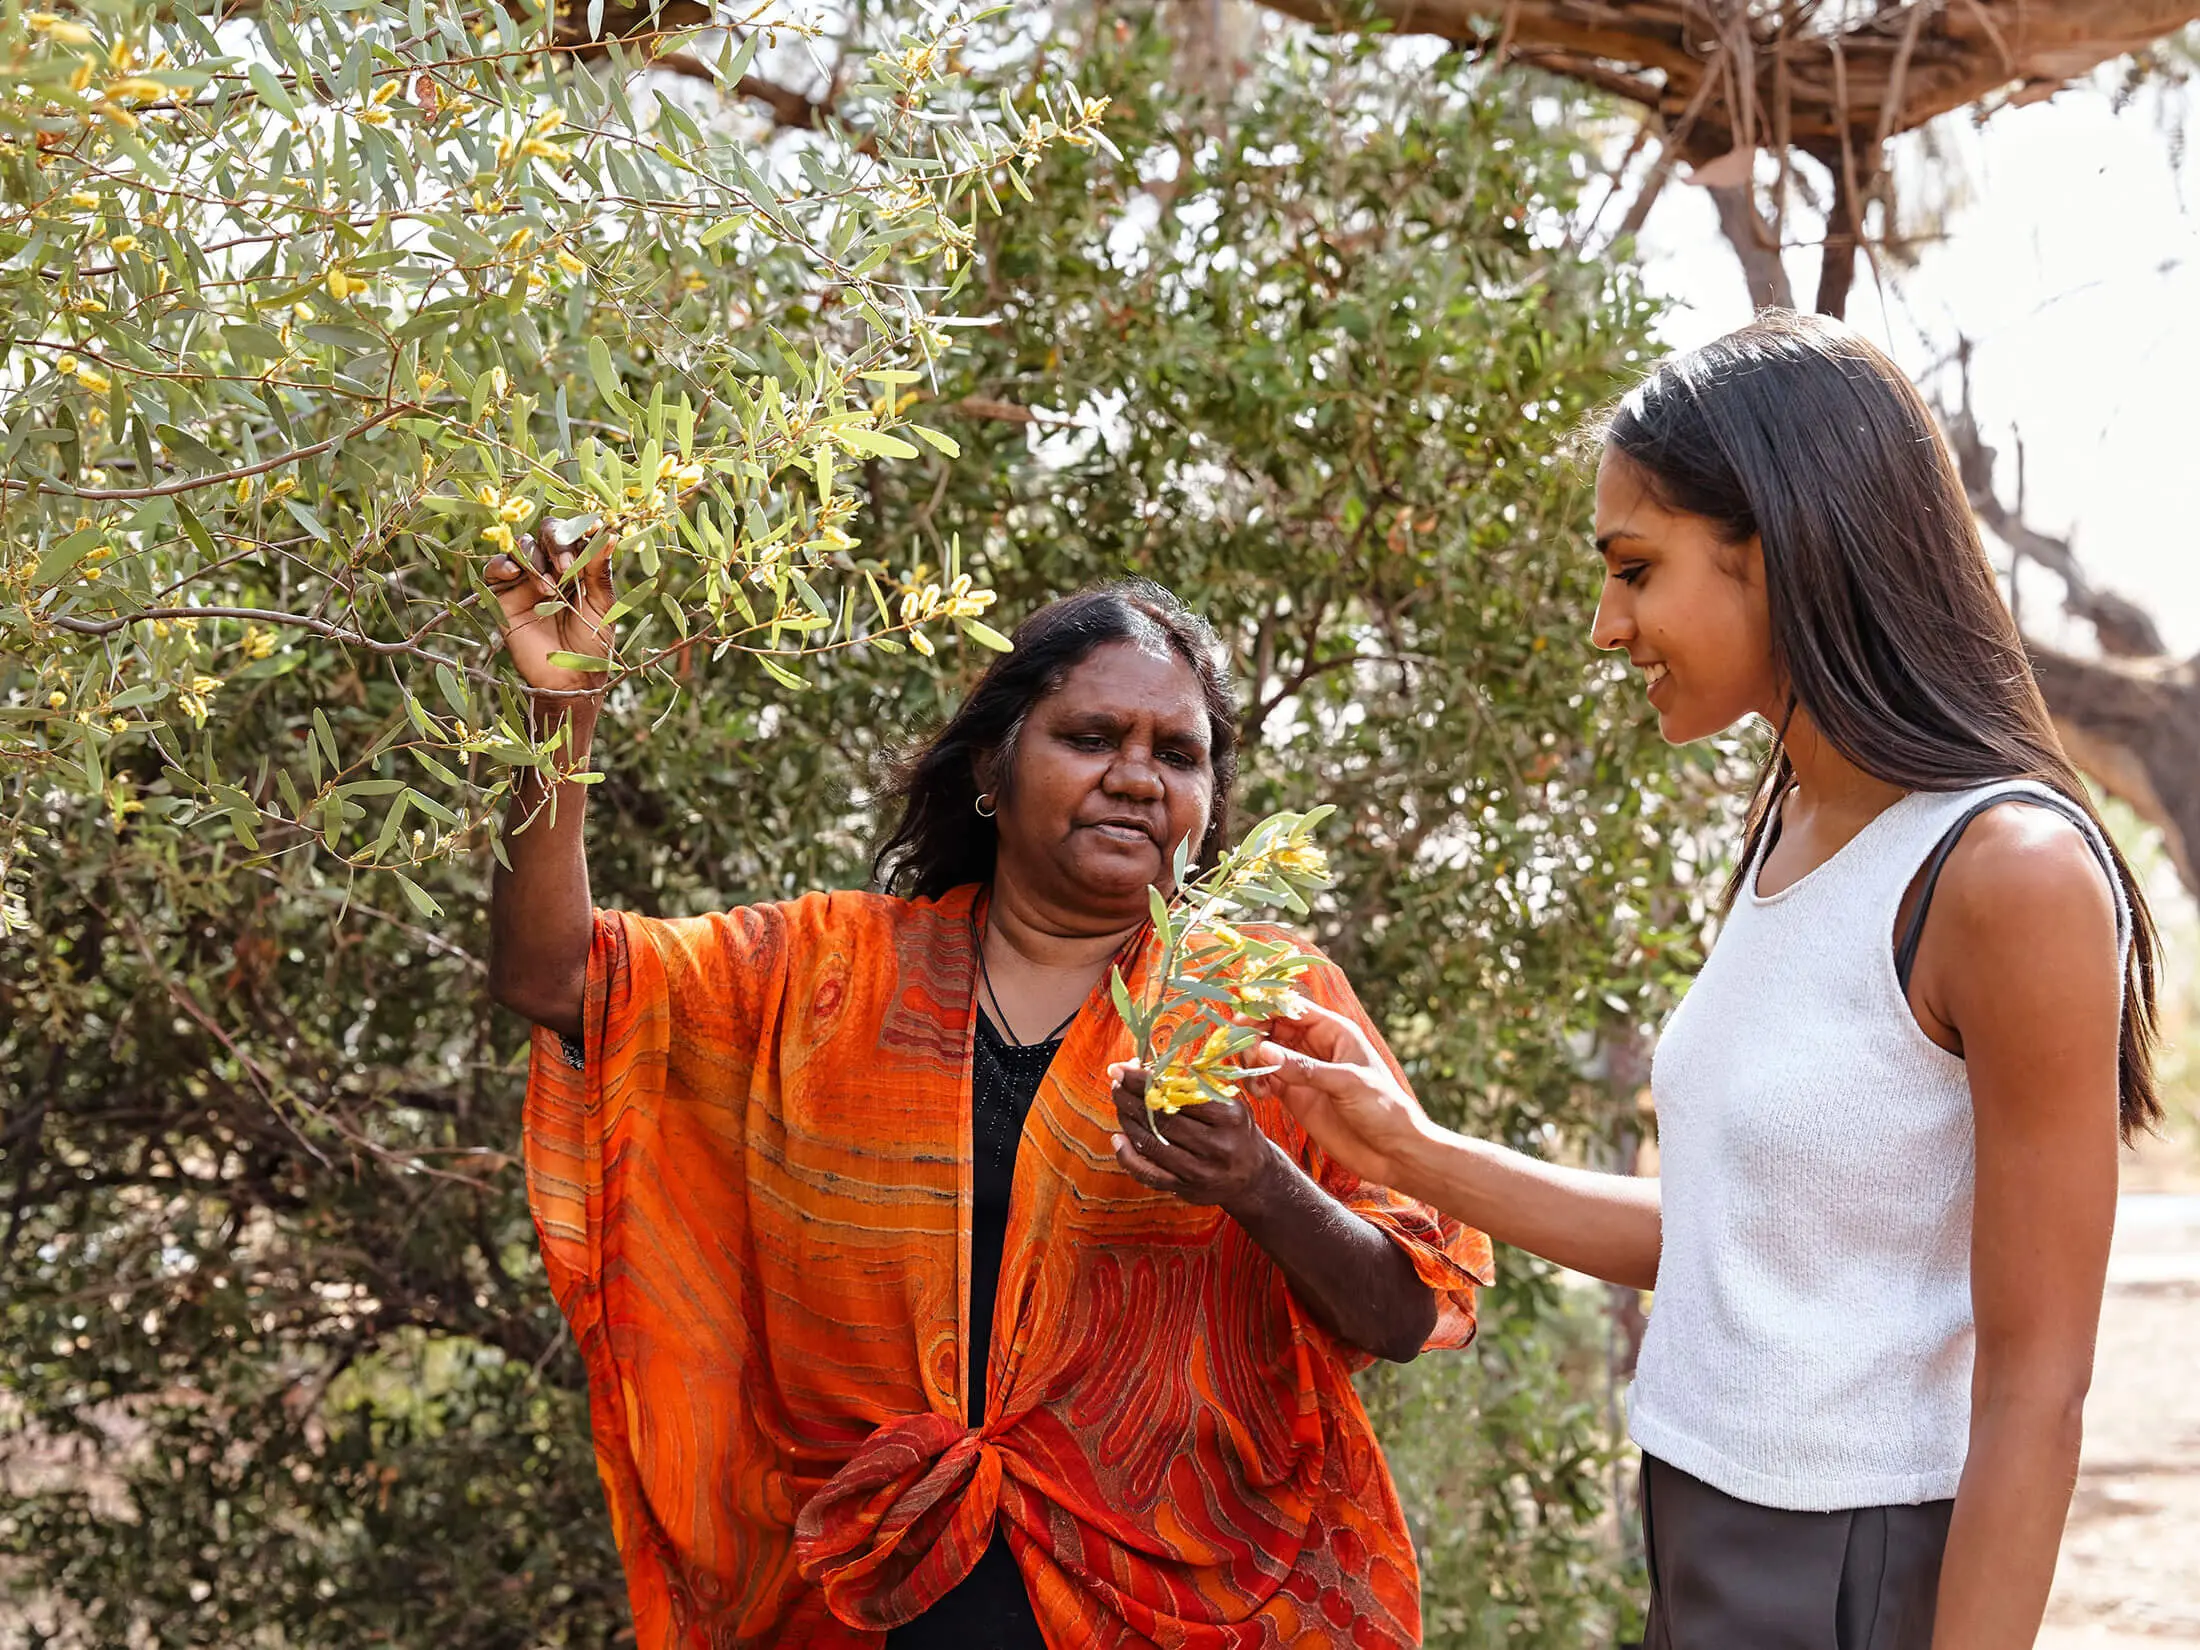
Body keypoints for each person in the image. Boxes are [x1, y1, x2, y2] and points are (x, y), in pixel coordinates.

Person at [1246, 312, 2161, 1650]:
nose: (1607, 626)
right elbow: (1738, 1235)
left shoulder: (2005, 873)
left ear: (1779, 549)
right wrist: (1410, 1152)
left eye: (1634, 568)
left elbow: (2039, 1386)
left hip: (1857, 1565)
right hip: (1711, 1528)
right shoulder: (1794, 820)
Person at [484, 558, 1494, 1648]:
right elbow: (554, 977)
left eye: (1179, 754)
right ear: (991, 770)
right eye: (1092, 737)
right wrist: (561, 711)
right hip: (875, 1590)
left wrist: (1259, 1180)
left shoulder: (1266, 1006)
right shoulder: (825, 976)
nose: (1138, 777)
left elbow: (1402, 1308)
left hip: (1195, 1604)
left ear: (1209, 808)